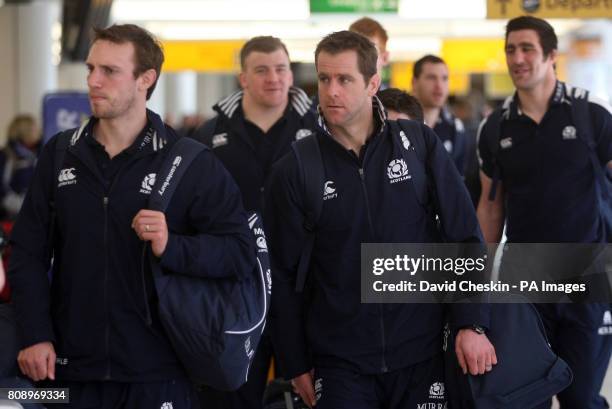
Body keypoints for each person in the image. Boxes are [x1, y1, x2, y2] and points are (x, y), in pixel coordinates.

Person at [7, 24, 255, 409]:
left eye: (109, 71)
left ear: (146, 79)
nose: (93, 81)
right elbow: (26, 252)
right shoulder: (60, 155)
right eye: (91, 69)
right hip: (71, 369)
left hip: (161, 370)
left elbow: (239, 252)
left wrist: (172, 245)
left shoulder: (188, 161)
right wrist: (36, 334)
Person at [266, 30, 496, 409]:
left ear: (373, 83)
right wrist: (295, 362)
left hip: (422, 353)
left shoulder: (419, 144)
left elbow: (464, 236)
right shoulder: (295, 168)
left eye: (344, 79)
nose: (331, 91)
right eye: (324, 79)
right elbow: (283, 273)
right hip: (339, 362)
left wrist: (471, 322)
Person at [477, 15, 612, 409]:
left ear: (551, 55)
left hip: (587, 280)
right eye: (510, 49)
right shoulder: (495, 128)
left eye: (527, 49)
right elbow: (490, 207)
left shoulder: (591, 117)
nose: (517, 58)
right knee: (527, 395)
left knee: (581, 398)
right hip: (525, 282)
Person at [192, 35, 315, 409]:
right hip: (234, 291)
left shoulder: (321, 129)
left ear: (291, 75)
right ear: (243, 78)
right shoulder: (209, 136)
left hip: (303, 288)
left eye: (281, 69)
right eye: (261, 70)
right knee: (231, 396)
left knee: (309, 395)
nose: (273, 78)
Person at [412, 55, 467, 175]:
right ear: (414, 83)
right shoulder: (399, 124)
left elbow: (459, 180)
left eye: (444, 78)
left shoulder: (456, 128)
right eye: (431, 78)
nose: (439, 85)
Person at [0, 114, 41, 220]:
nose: (38, 130)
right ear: (24, 131)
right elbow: (2, 188)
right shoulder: (7, 155)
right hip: (12, 216)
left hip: (37, 214)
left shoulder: (41, 153)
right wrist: (20, 206)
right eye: (34, 128)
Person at [349, 17, 390, 90]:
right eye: (353, 52)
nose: (359, 59)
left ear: (385, 58)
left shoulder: (396, 100)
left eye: (368, 52)